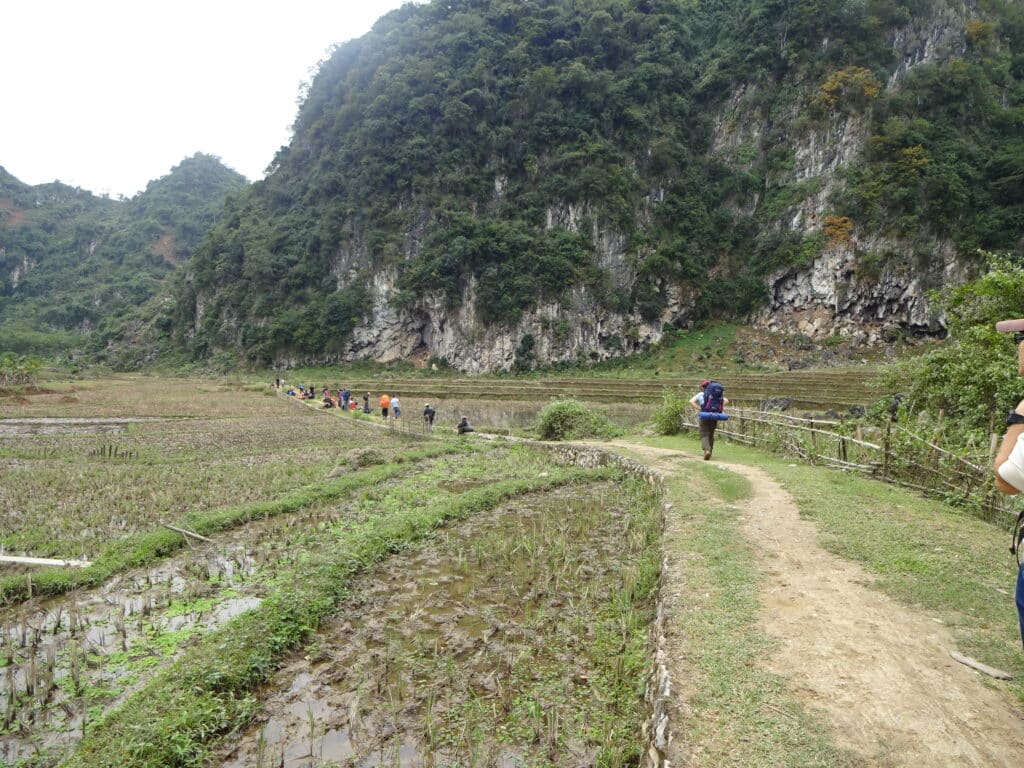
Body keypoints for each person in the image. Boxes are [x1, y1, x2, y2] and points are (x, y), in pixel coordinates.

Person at [690, 379, 729, 461]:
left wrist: (700, 408)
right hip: (715, 415)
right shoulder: (717, 395)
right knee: (711, 434)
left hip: (705, 415)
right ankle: (710, 452)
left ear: (703, 387)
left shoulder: (701, 394)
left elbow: (691, 401)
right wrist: (718, 407)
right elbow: (726, 401)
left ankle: (707, 450)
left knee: (704, 434)